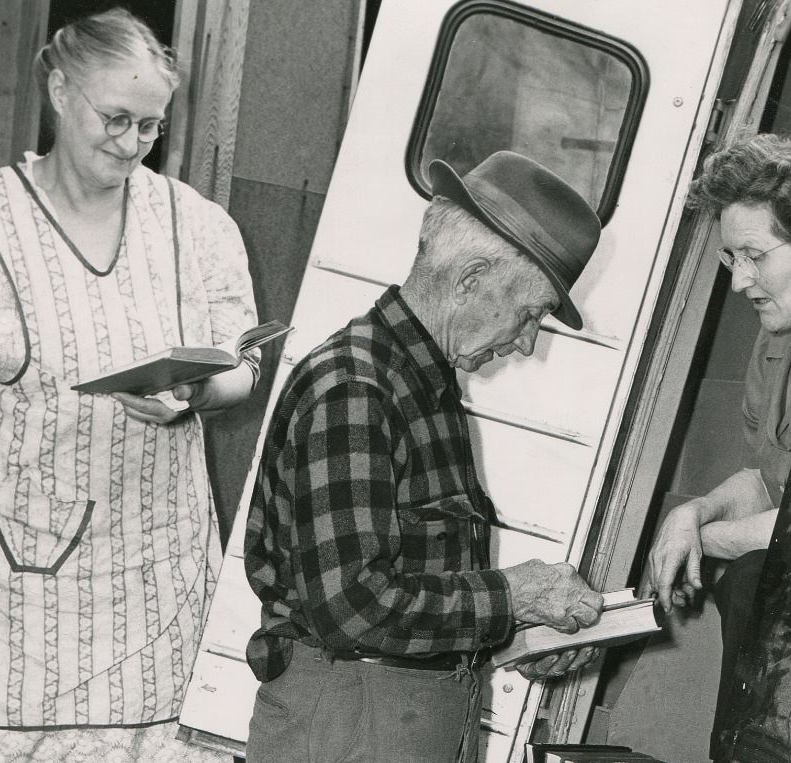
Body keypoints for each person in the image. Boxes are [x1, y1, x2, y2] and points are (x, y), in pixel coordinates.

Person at [0, 9, 257, 761]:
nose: (131, 144)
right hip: (6, 562)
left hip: (153, 580)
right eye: (116, 119)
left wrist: (197, 395)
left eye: (150, 127)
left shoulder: (199, 229)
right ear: (61, 92)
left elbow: (244, 361)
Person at [244, 150, 607, 763]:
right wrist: (512, 598)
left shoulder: (422, 384)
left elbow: (416, 590)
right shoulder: (355, 390)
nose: (527, 342)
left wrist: (521, 630)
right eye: (530, 313)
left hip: (393, 719)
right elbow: (352, 609)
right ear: (470, 278)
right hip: (355, 723)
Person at [640, 129, 791, 760]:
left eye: (755, 256)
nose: (740, 280)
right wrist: (693, 514)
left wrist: (705, 542)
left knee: (750, 578)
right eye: (731, 259)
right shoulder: (776, 344)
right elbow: (769, 482)